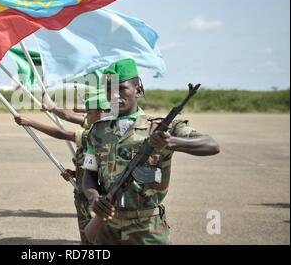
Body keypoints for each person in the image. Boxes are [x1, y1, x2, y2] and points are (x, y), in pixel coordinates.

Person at [82, 58, 220, 245]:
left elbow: (211, 145)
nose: (114, 95)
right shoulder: (97, 131)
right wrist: (95, 199)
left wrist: (171, 142)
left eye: (121, 89)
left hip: (147, 229)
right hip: (107, 228)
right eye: (109, 90)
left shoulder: (161, 127)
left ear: (138, 90)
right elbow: (89, 174)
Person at [14, 90, 110, 244]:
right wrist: (75, 173)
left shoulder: (95, 134)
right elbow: (95, 168)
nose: (86, 116)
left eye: (89, 113)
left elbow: (62, 134)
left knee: (95, 239)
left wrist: (31, 122)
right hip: (84, 192)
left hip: (92, 198)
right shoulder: (96, 129)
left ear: (101, 113)